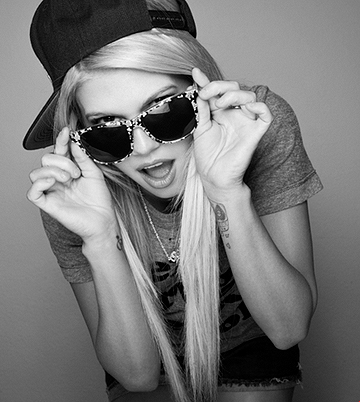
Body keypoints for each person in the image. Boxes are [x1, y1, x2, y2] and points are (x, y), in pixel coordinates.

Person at [24, 0, 322, 401]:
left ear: (200, 91)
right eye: (107, 125)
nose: (145, 148)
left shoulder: (254, 123)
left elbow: (289, 329)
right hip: (144, 346)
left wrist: (227, 191)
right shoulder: (70, 189)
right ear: (78, 133)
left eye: (164, 108)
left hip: (253, 342)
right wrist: (100, 239)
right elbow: (137, 376)